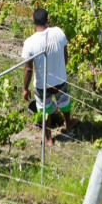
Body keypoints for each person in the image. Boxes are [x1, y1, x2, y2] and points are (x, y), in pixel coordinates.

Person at [21, 8, 72, 145]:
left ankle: (48, 139)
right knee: (65, 103)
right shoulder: (59, 32)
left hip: (42, 85)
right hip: (60, 78)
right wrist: (61, 70)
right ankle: (68, 125)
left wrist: (25, 88)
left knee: (44, 109)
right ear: (47, 19)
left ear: (33, 20)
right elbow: (65, 55)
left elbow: (28, 69)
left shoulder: (29, 42)